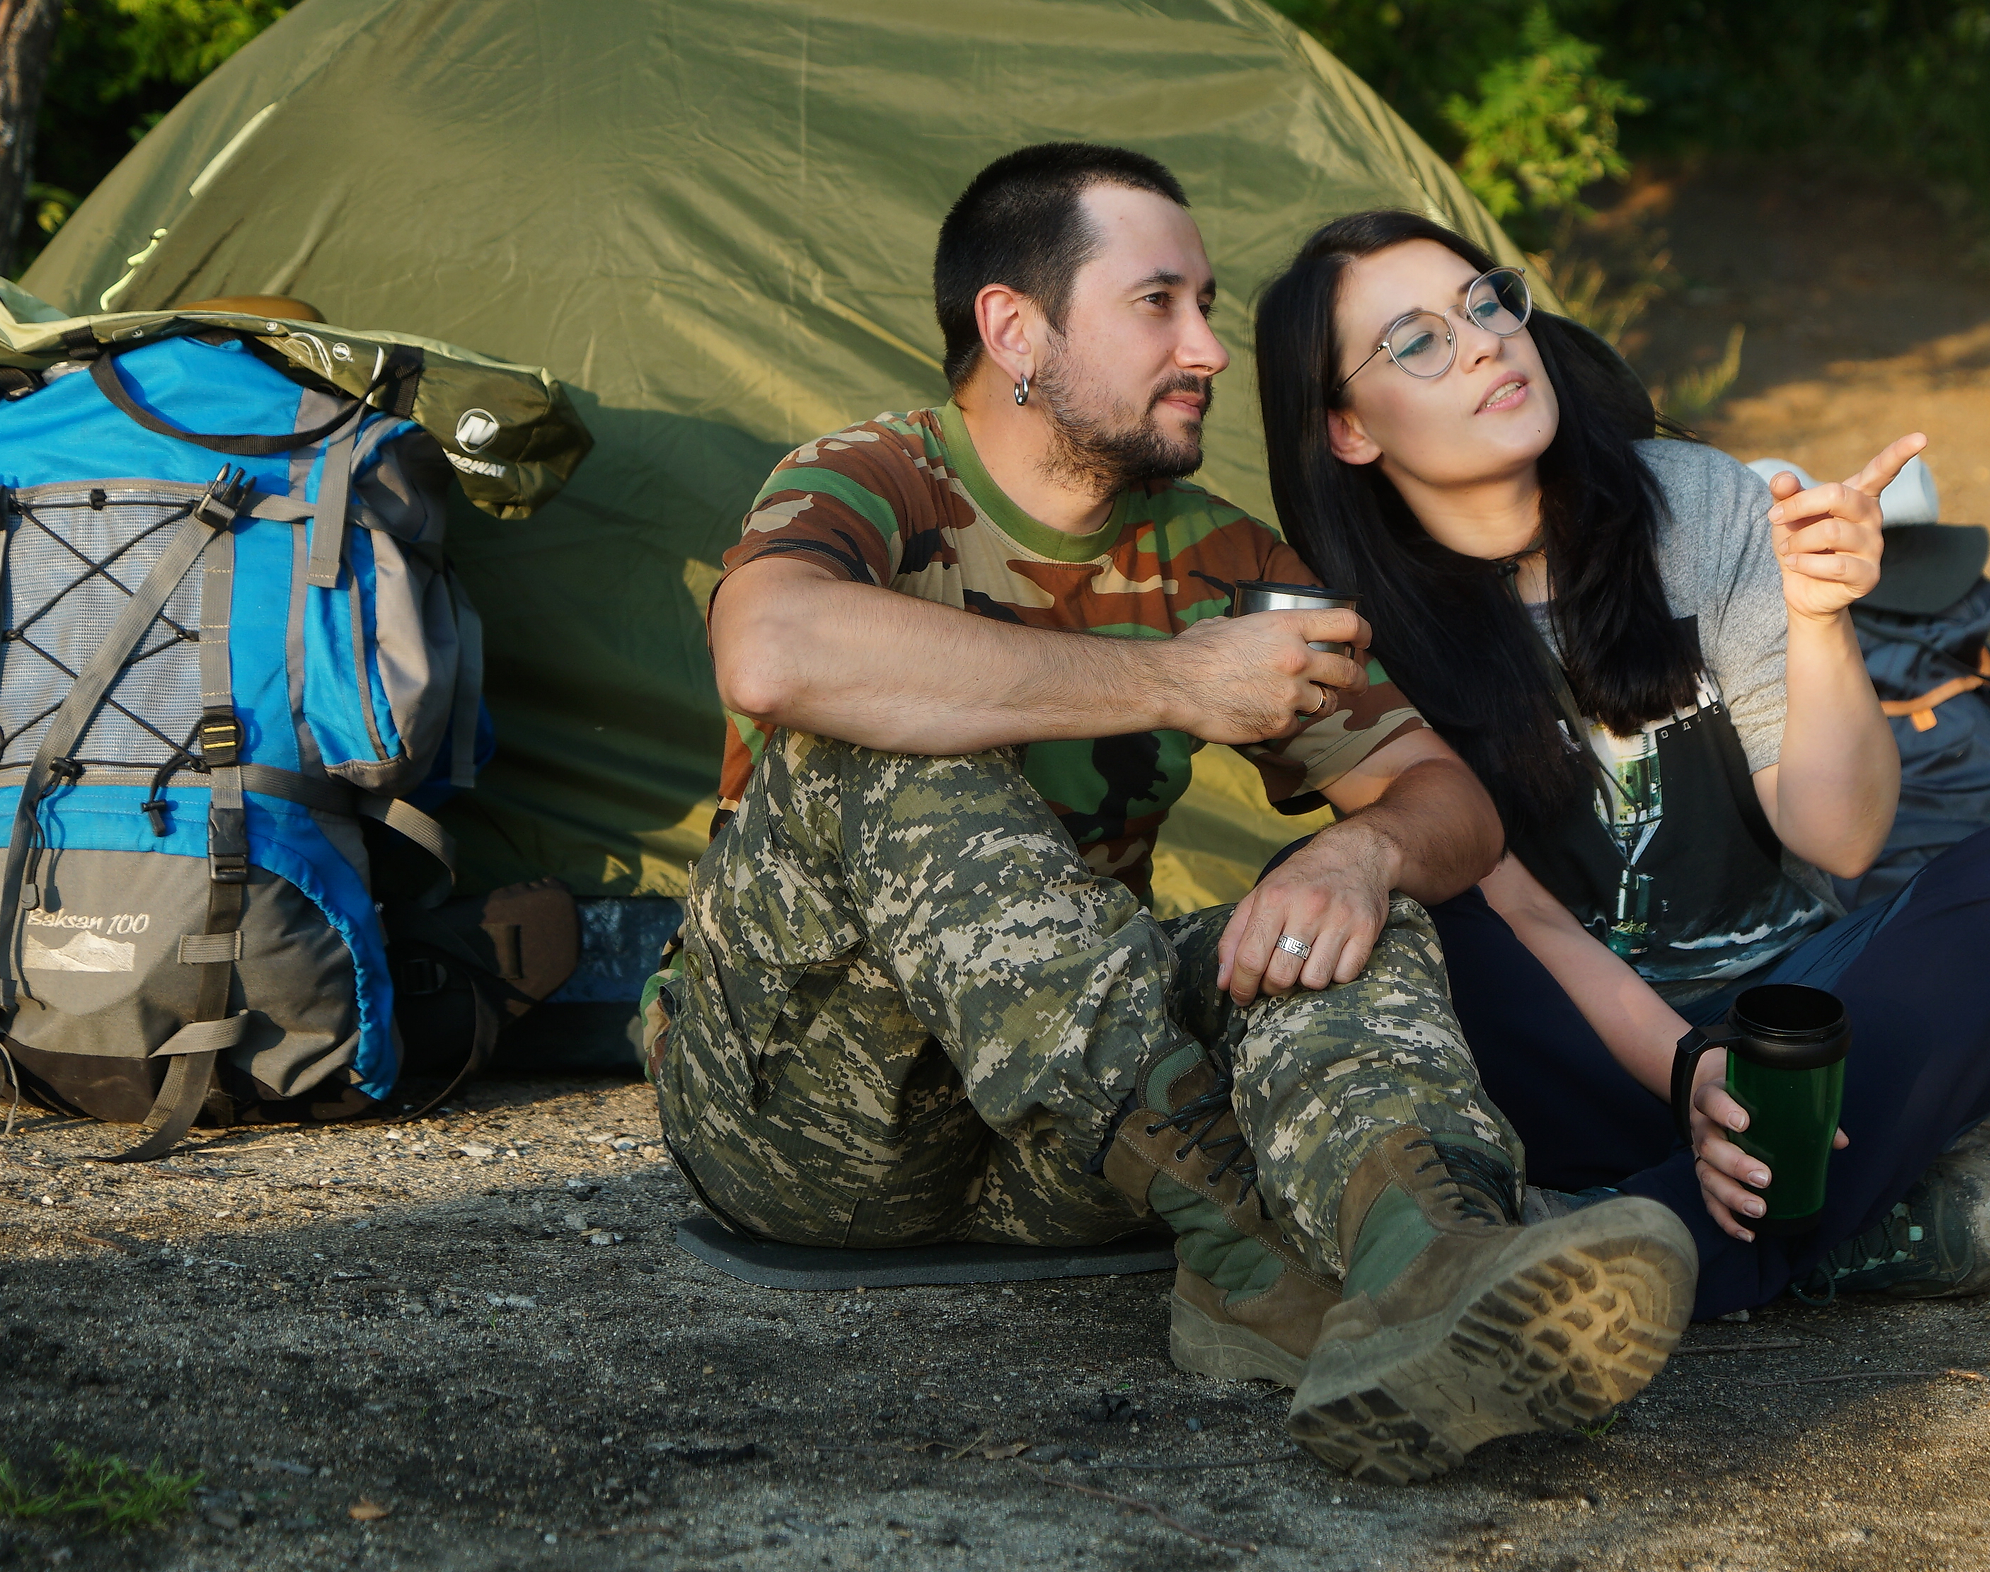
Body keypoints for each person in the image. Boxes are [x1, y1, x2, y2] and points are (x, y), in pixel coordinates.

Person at [655, 145, 1699, 1483]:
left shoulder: (1215, 553)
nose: (1208, 347)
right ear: (1013, 328)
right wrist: (1170, 680)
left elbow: (1449, 805)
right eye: (1160, 304)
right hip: (805, 1116)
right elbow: (772, 651)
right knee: (873, 724)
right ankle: (1274, 1263)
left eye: (1206, 303)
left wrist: (1358, 851)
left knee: (1337, 911)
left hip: (1078, 1139)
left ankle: (1428, 1268)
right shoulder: (878, 479)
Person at [1251, 209, 1990, 1322]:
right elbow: (1529, 920)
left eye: (1485, 303)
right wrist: (1688, 1072)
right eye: (1418, 341)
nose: (1483, 342)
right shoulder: (1343, 627)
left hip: (1790, 1031)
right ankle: (1820, 1219)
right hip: (1573, 1058)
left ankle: (1624, 1253)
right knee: (1385, 905)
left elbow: (1840, 838)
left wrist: (1816, 620)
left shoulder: (1696, 506)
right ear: (1348, 429)